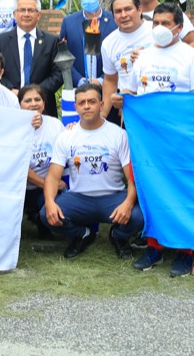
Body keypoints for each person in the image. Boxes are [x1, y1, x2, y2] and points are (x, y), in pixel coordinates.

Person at [125, 3, 194, 277]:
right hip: (148, 139)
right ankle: (154, 247)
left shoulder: (192, 57)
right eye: (156, 23)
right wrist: (122, 99)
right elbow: (131, 90)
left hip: (180, 139)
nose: (159, 28)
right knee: (152, 191)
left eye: (166, 23)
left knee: (182, 191)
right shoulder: (143, 56)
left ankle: (185, 251)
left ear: (179, 28)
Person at [44, 83, 144, 260]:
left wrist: (128, 204)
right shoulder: (66, 136)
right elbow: (52, 177)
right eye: (81, 103)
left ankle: (118, 236)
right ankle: (82, 234)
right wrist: (50, 202)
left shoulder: (118, 135)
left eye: (92, 101)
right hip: (79, 198)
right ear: (75, 107)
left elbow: (132, 177)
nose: (87, 106)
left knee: (140, 216)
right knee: (46, 214)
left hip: (113, 197)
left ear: (102, 104)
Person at [0, 0, 62, 114]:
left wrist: (35, 93)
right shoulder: (0, 41)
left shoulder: (51, 41)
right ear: (15, 14)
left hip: (43, 106)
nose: (26, 14)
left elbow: (58, 74)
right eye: (22, 10)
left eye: (30, 10)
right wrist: (11, 90)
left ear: (39, 15)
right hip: (9, 103)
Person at [99, 0, 154, 121]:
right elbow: (110, 80)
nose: (123, 15)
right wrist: (103, 115)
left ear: (139, 9)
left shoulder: (155, 31)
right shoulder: (108, 43)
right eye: (118, 11)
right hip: (129, 108)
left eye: (128, 9)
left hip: (157, 102)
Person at [20, 84, 62, 239]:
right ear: (19, 105)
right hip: (20, 187)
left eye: (37, 99)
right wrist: (49, 185)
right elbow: (21, 168)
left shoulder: (55, 125)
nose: (33, 104)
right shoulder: (13, 129)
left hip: (47, 185)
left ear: (44, 103)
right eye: (27, 100)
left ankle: (43, 223)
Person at [58, 0, 117, 85]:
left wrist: (102, 80)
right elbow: (63, 55)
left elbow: (119, 54)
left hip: (107, 86)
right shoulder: (68, 22)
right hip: (78, 87)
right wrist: (79, 80)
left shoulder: (114, 21)